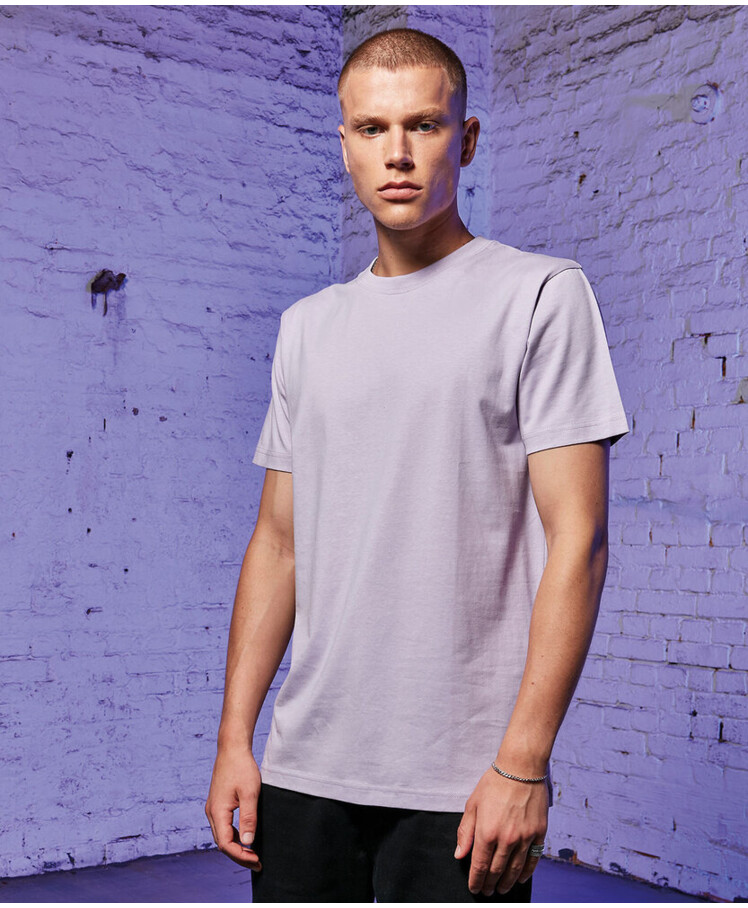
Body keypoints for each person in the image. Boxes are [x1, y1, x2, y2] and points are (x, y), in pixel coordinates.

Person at [205, 27, 630, 903]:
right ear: (345, 145)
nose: (396, 153)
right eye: (372, 128)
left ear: (464, 140)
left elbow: (579, 539)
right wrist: (234, 741)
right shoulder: (307, 328)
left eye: (424, 125)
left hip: (464, 780)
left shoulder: (539, 296)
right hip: (305, 765)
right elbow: (278, 544)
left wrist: (523, 761)